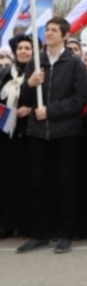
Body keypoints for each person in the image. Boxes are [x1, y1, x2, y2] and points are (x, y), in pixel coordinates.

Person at [16, 17, 87, 255]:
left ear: (65, 35)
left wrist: (50, 111)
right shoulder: (36, 62)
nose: (48, 33)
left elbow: (80, 99)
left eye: (54, 30)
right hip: (38, 134)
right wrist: (30, 82)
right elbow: (24, 99)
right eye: (46, 30)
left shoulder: (75, 63)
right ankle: (39, 234)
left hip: (65, 133)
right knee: (39, 184)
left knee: (65, 184)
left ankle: (64, 233)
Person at [0, 35, 34, 239]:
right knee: (7, 179)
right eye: (20, 48)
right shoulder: (5, 74)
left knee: (29, 179)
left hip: (30, 132)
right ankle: (6, 222)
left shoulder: (39, 74)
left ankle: (27, 223)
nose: (23, 51)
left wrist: (30, 109)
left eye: (27, 48)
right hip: (6, 135)